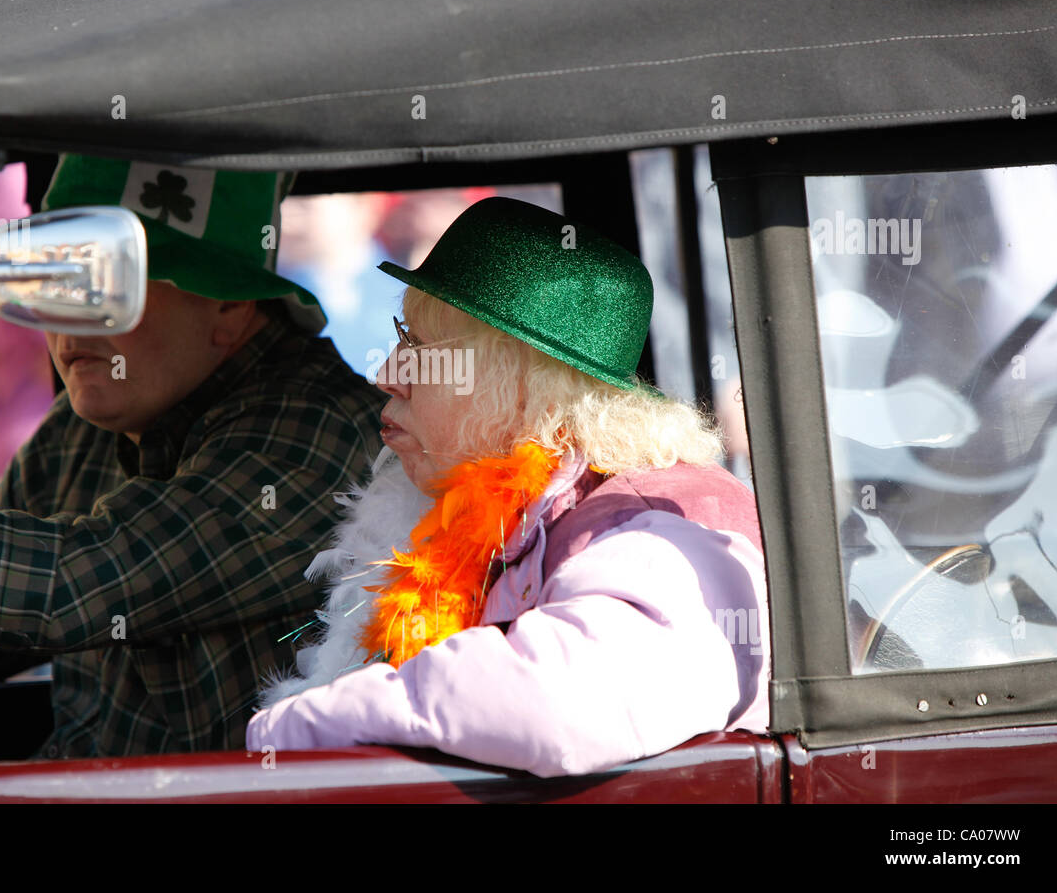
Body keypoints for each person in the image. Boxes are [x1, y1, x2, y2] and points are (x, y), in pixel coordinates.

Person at [0, 154, 383, 757]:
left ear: (227, 304)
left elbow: (75, 582)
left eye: (105, 288)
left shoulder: (312, 430)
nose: (67, 320)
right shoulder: (95, 423)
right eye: (53, 281)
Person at [248, 197, 769, 778]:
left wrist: (297, 726)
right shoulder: (454, 508)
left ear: (519, 386)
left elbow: (566, 701)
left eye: (419, 348)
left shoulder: (665, 529)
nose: (386, 374)